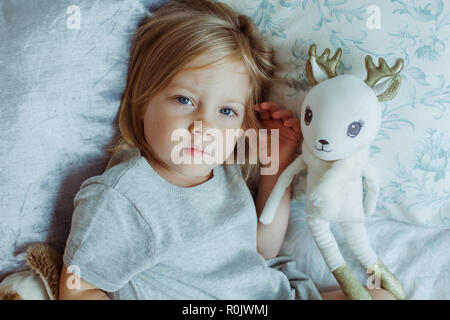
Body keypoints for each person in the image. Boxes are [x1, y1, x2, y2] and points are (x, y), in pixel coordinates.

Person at [58, 0, 395, 300]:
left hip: (276, 292)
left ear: (242, 124)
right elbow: (79, 286)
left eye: (226, 112)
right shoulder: (120, 198)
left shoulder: (225, 172)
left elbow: (262, 249)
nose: (203, 126)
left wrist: (276, 164)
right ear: (143, 101)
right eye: (184, 100)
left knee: (380, 296)